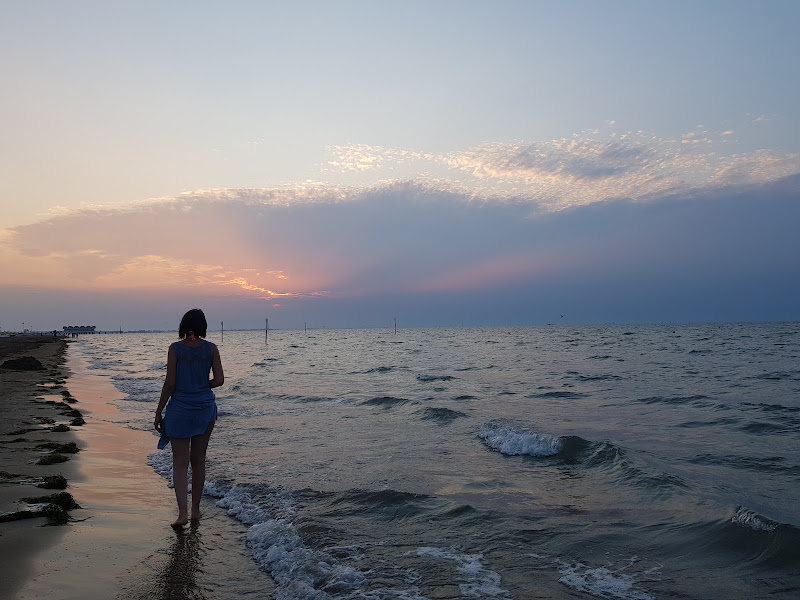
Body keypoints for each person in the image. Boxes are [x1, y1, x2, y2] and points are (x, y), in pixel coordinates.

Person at [154, 308, 224, 527]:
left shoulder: (175, 349)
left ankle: (182, 514)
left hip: (180, 409)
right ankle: (196, 511)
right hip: (205, 408)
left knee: (180, 463)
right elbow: (220, 380)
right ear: (202, 326)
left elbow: (170, 384)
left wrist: (158, 411)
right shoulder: (211, 348)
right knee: (199, 460)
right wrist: (203, 385)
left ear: (183, 326)